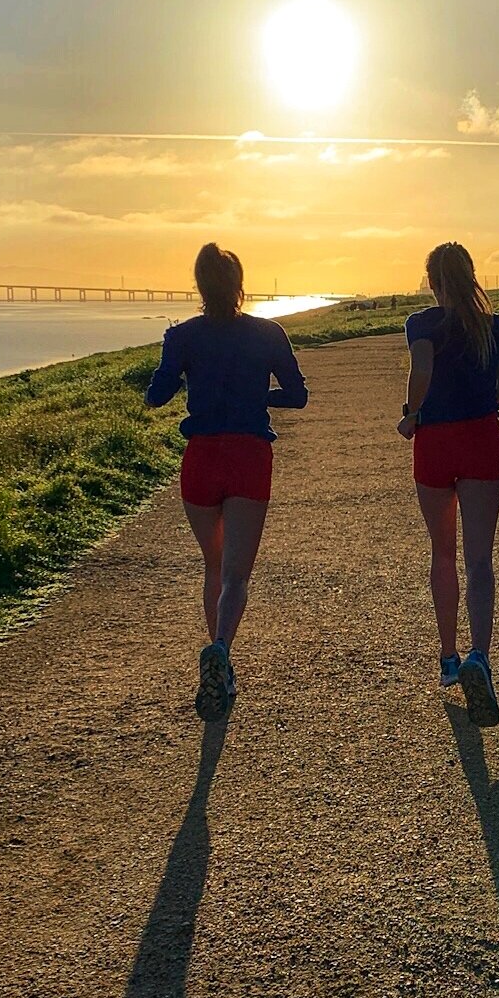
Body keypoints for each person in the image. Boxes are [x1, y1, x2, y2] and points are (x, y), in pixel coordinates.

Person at [145, 242, 308, 722]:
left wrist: (180, 376)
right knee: (236, 575)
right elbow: (298, 396)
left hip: (201, 459)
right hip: (248, 455)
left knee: (213, 563)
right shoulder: (269, 333)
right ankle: (220, 650)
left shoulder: (181, 336)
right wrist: (255, 397)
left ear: (199, 286)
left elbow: (156, 396)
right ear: (239, 285)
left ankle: (221, 659)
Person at [397, 242, 499, 727]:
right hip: (481, 440)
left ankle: (448, 658)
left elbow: (421, 369)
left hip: (434, 444)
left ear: (431, 281)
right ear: (471, 277)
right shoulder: (493, 327)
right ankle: (480, 657)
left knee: (442, 553)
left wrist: (410, 415)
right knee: (480, 559)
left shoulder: (420, 323)